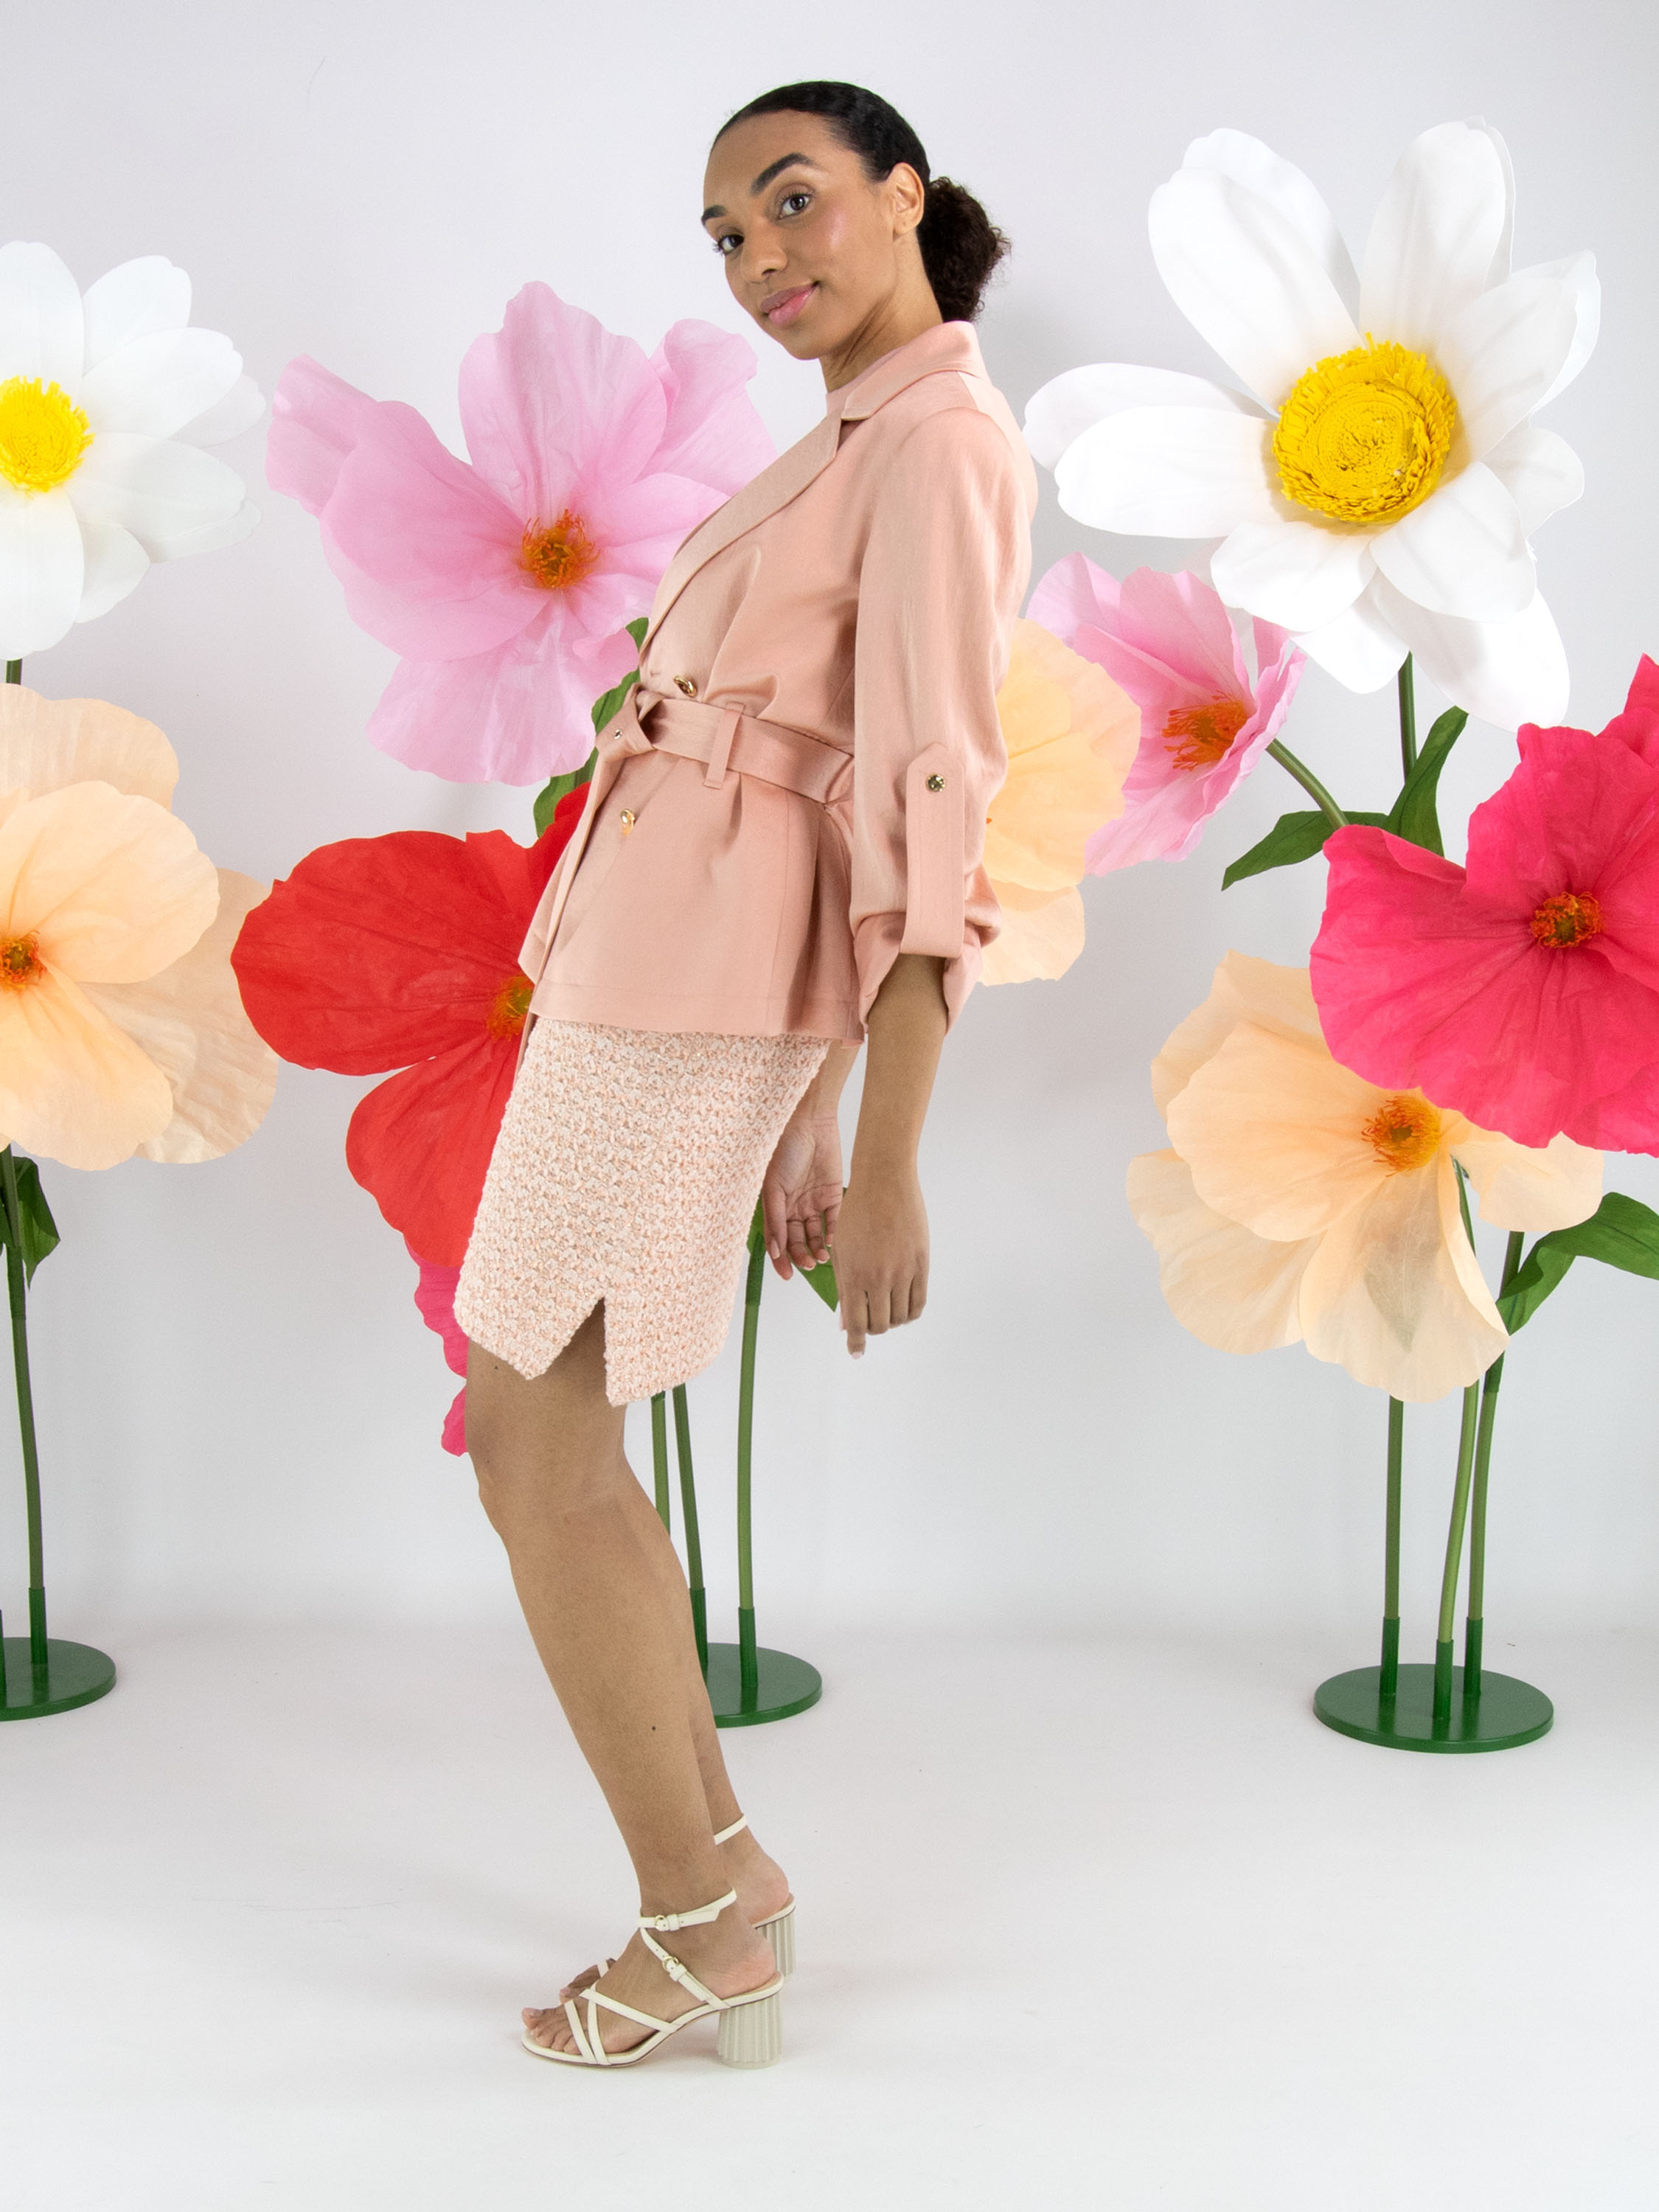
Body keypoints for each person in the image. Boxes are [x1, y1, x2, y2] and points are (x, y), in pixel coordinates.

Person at [453, 79, 1034, 2070]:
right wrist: (809, 1107)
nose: (759, 256)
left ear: (905, 197)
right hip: (661, 972)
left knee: (530, 1435)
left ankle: (707, 1913)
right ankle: (718, 1890)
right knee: (542, 1428)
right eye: (723, 234)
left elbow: (929, 811)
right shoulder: (861, 438)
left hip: (686, 993)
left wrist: (889, 1157)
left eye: (792, 203)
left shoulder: (938, 444)